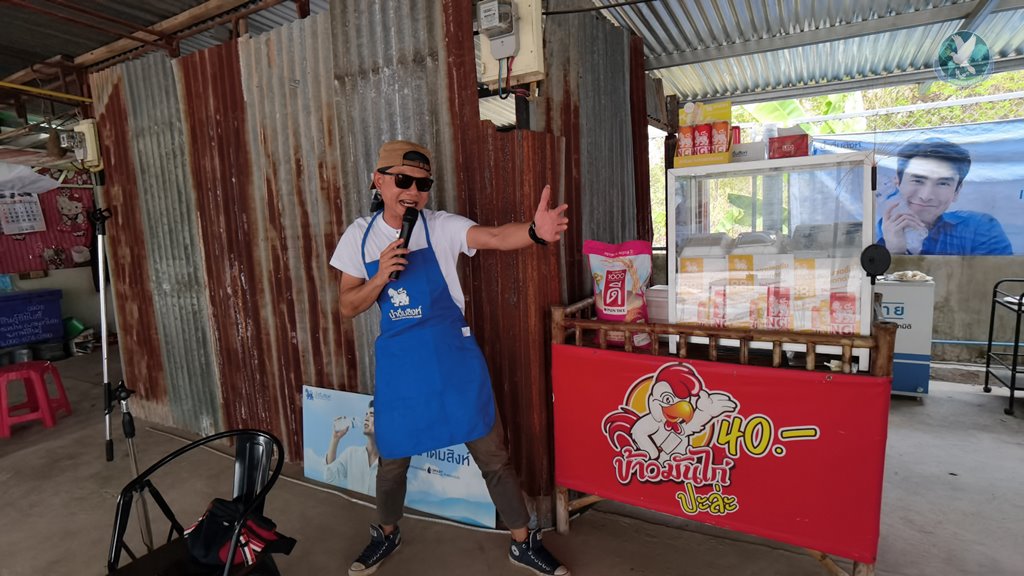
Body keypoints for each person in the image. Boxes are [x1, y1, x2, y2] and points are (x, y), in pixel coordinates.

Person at [329, 140, 571, 576]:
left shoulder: (440, 227)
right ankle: (387, 532)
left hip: (453, 363)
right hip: (401, 370)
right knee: (392, 462)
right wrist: (380, 276)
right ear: (378, 180)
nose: (413, 192)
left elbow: (494, 236)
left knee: (493, 456)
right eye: (403, 180)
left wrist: (534, 232)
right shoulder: (358, 237)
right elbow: (347, 305)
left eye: (423, 185)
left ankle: (522, 542)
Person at [877, 137, 1013, 255]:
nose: (926, 196)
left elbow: (997, 276)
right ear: (897, 182)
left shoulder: (980, 228)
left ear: (957, 191)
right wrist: (895, 252)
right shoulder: (876, 231)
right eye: (917, 180)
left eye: (943, 183)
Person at [324, 401, 378, 496]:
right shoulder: (351, 453)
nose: (366, 418)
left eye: (371, 415)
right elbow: (329, 478)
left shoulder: (390, 462)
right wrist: (335, 439)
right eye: (366, 415)